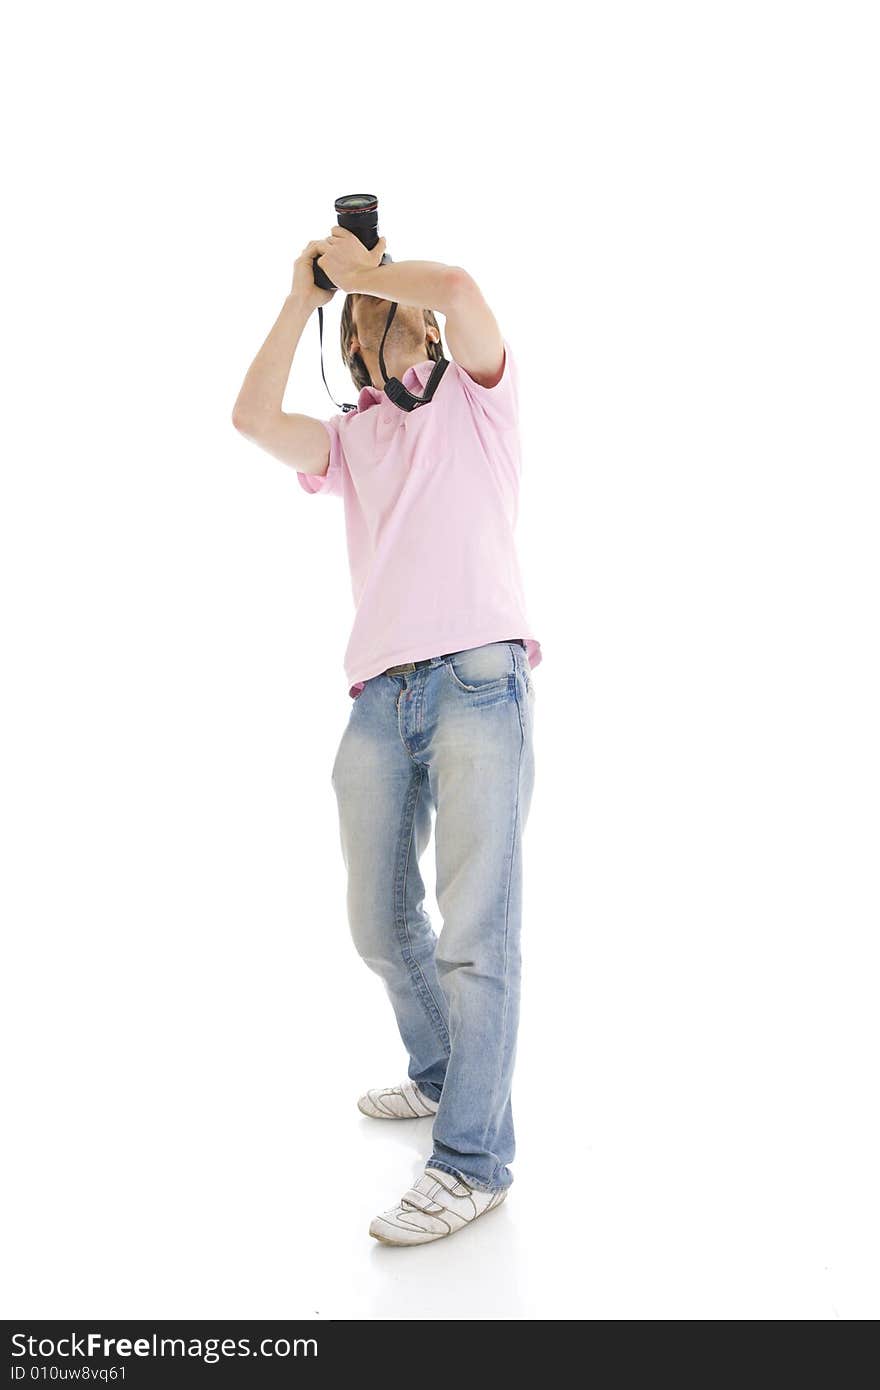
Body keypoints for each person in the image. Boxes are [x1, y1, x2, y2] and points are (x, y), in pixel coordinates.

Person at [232, 226, 542, 1246]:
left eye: (390, 306)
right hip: (380, 697)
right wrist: (301, 296)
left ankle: (471, 1162)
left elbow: (456, 284)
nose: (381, 317)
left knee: (475, 932)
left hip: (480, 680)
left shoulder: (476, 399)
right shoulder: (349, 437)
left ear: (424, 331)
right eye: (361, 319)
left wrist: (367, 273)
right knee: (377, 918)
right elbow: (248, 416)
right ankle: (446, 1075)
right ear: (354, 352)